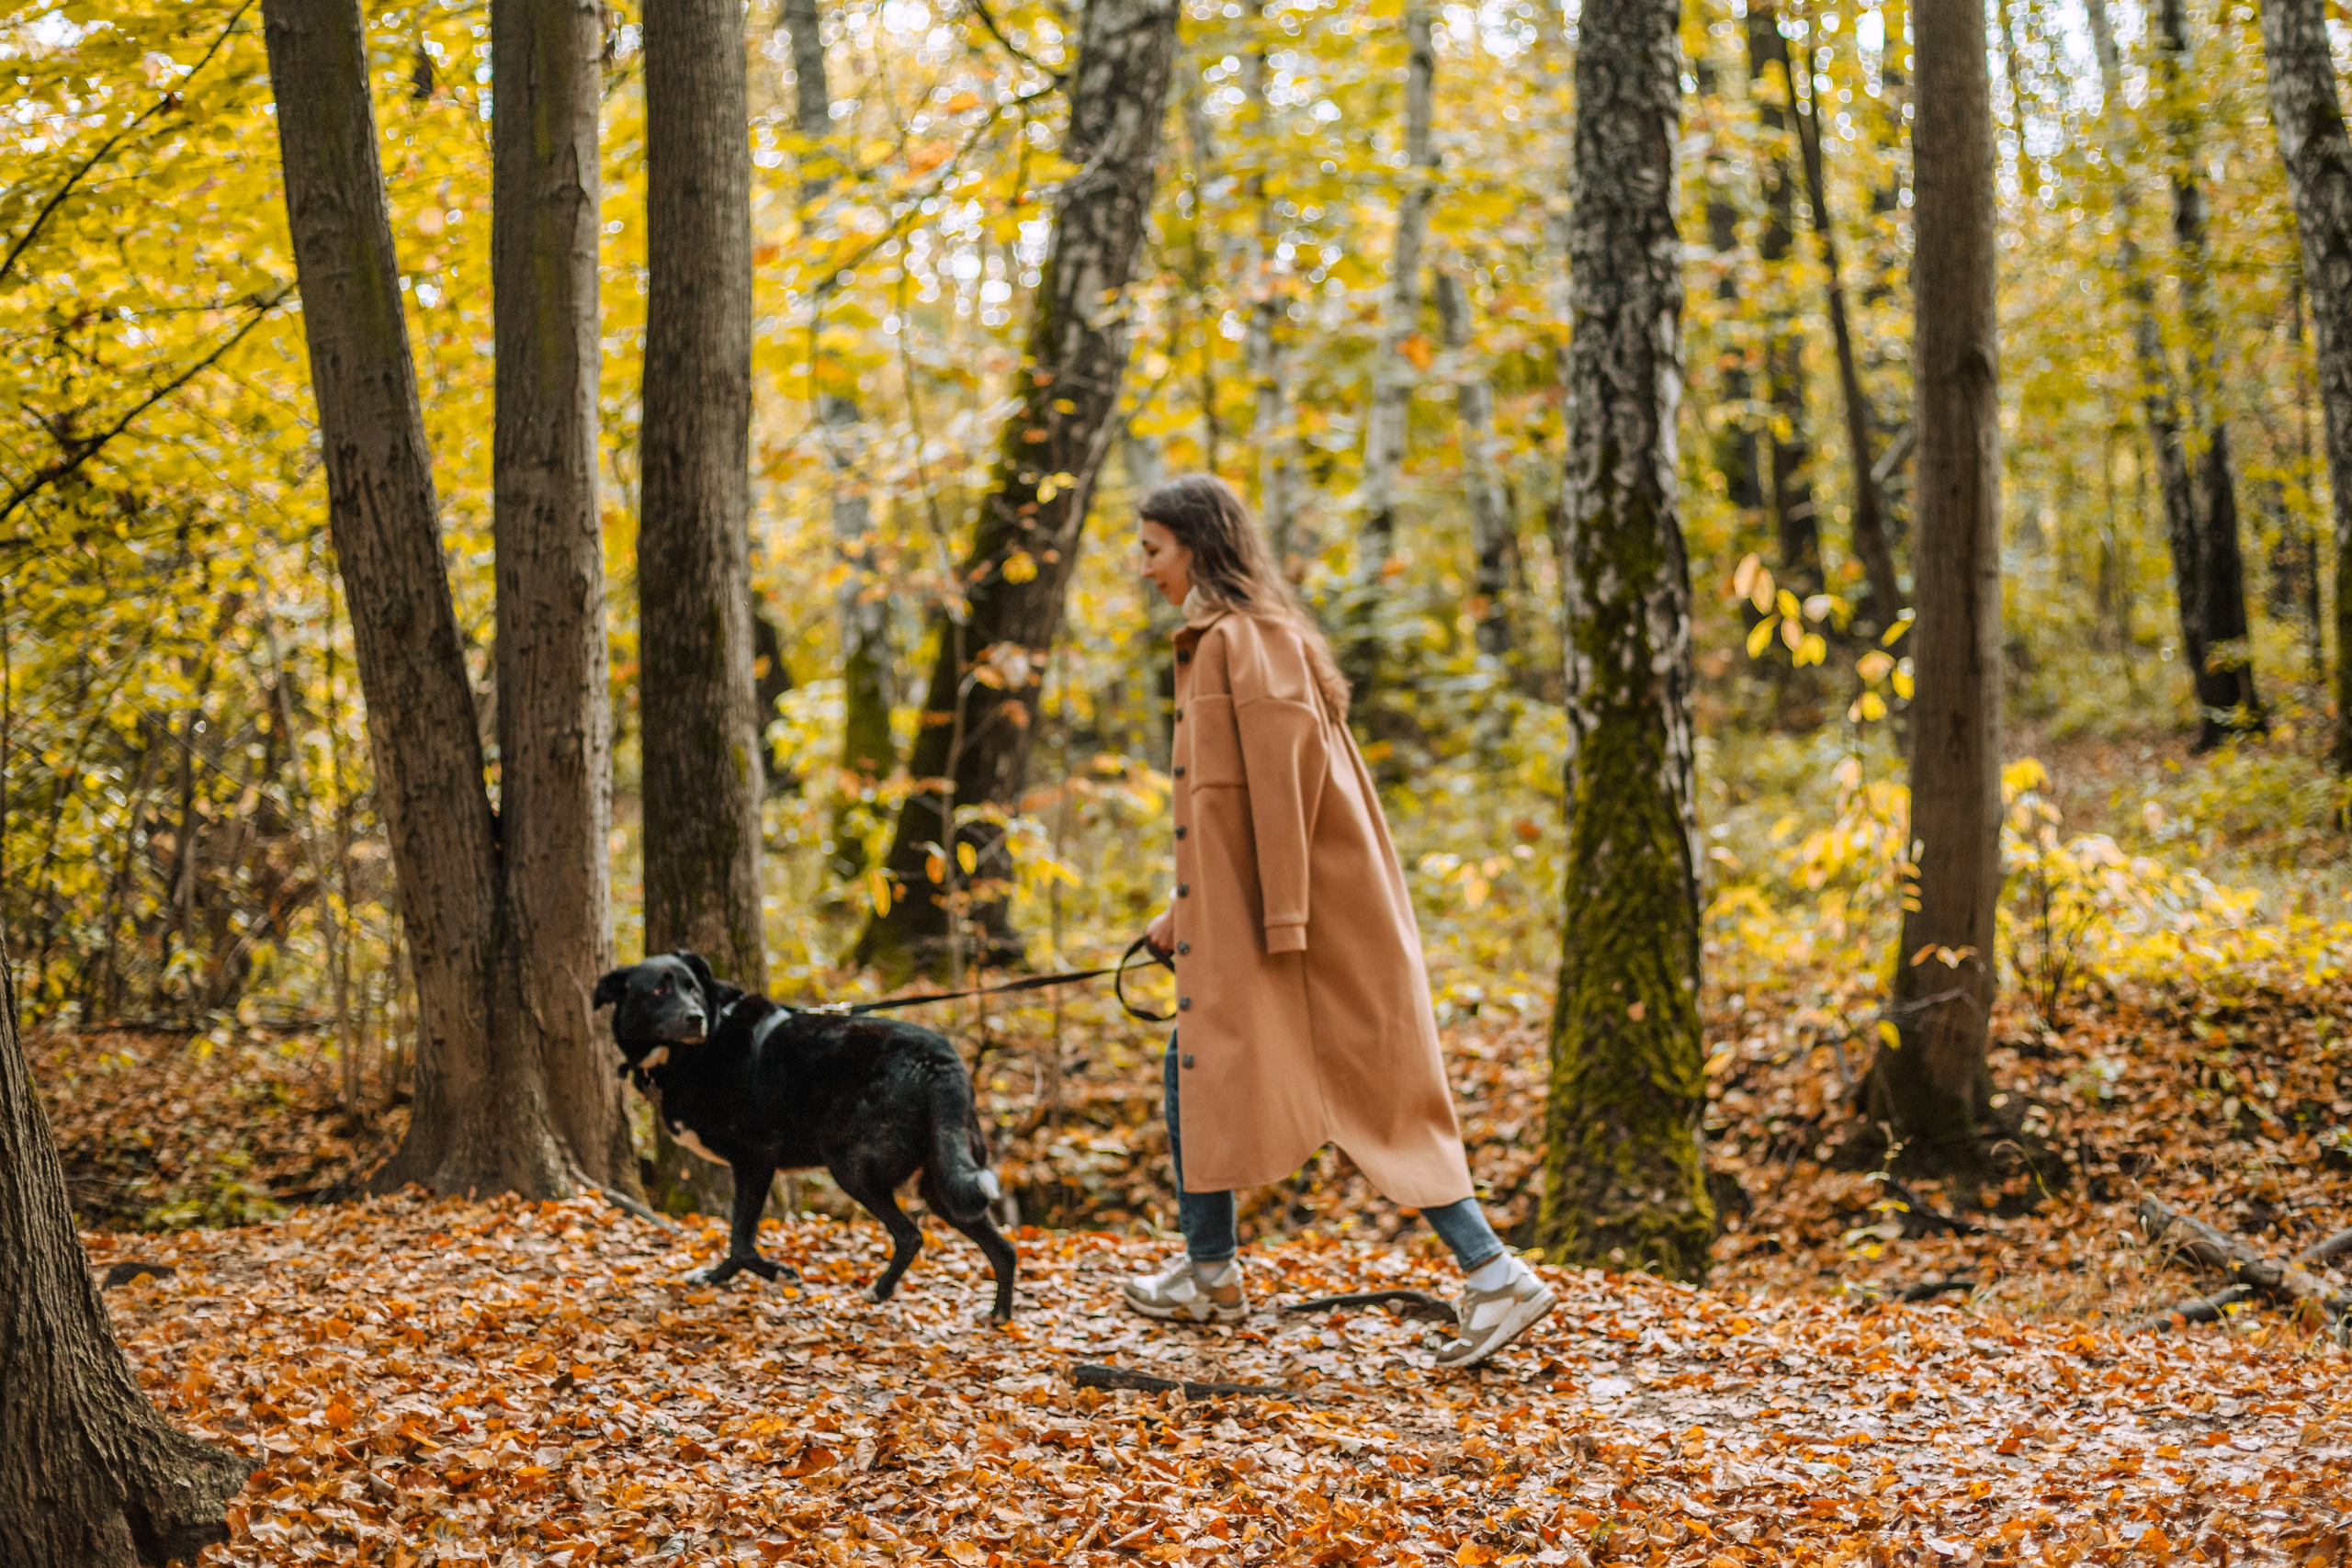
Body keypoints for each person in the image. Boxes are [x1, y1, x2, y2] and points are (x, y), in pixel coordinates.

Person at [1120, 473, 1556, 1370]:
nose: (1143, 567)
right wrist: (1185, 910)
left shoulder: (1254, 641)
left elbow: (1285, 798)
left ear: (1197, 547)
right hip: (1264, 920)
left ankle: (1494, 1274)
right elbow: (1229, 814)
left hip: (1306, 929)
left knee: (1370, 1093)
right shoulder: (1225, 640)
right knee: (1194, 1058)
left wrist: (1280, 926)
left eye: (1153, 549)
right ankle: (1210, 1272)